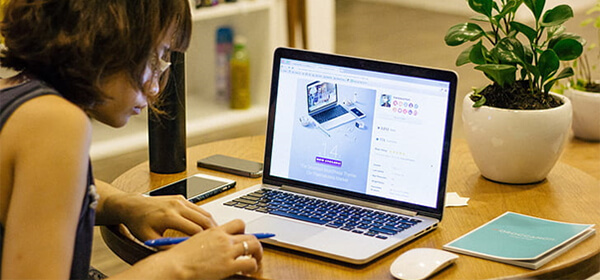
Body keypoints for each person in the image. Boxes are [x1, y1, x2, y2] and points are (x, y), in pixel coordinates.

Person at [0, 0, 263, 279]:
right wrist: (181, 265)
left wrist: (124, 205)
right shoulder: (55, 123)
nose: (154, 87)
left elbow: (39, 196)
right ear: (109, 36)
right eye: (155, 57)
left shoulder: (16, 93)